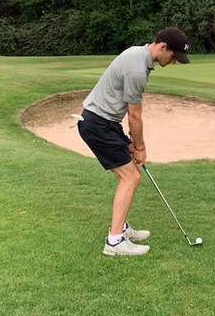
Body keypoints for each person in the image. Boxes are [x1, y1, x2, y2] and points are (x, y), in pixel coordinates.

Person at [77, 27, 190, 256]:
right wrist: (140, 147)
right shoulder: (137, 68)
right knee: (131, 177)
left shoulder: (138, 55)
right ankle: (115, 242)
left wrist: (129, 141)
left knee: (130, 175)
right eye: (174, 56)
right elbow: (135, 115)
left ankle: (122, 228)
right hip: (98, 123)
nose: (174, 61)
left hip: (105, 122)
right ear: (162, 47)